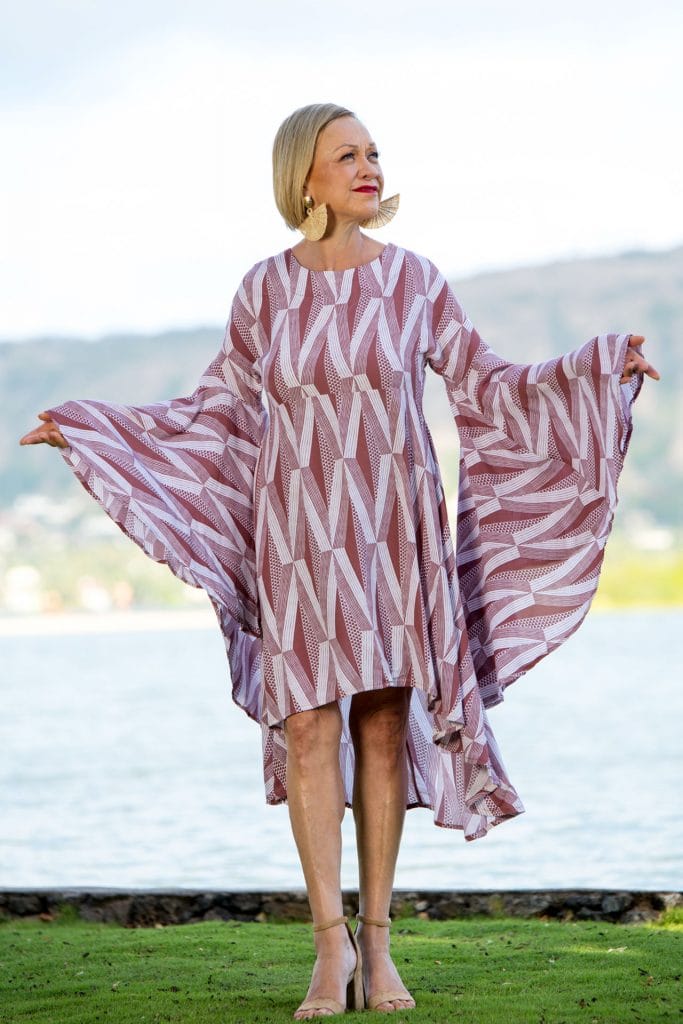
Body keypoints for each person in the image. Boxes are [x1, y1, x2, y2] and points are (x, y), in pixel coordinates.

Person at [20, 102, 659, 1018]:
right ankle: (330, 947)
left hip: (393, 522)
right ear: (304, 178)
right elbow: (214, 410)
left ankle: (381, 942)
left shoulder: (413, 279)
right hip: (297, 528)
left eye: (373, 153)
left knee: (384, 724)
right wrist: (96, 430)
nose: (368, 168)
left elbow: (489, 383)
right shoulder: (263, 291)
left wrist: (596, 366)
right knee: (310, 725)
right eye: (346, 155)